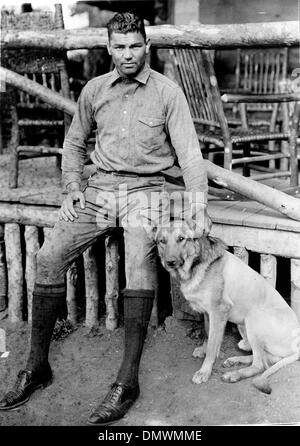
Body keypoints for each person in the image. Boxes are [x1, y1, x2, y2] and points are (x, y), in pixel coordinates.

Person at [0, 12, 211, 425]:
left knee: (138, 262)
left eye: (135, 46)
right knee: (47, 257)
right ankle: (37, 366)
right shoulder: (95, 90)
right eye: (120, 46)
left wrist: (198, 207)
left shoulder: (168, 93)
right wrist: (73, 186)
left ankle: (127, 380)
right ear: (108, 48)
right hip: (99, 192)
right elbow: (75, 141)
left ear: (146, 46)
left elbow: (189, 156)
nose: (128, 54)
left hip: (147, 192)